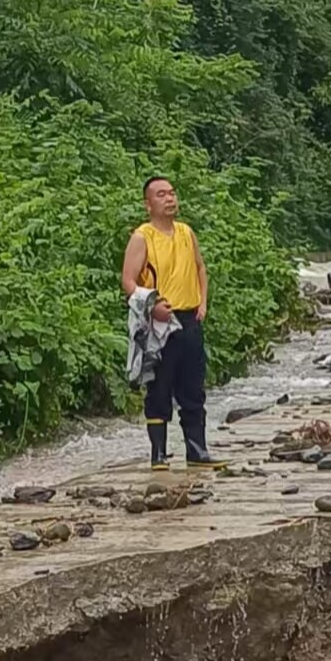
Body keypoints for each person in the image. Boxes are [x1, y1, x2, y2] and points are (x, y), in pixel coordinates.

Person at [121, 176, 226, 472]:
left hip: (190, 318)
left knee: (193, 387)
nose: (169, 199)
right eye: (161, 194)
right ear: (148, 203)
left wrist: (203, 301)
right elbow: (128, 281)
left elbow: (199, 267)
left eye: (172, 193)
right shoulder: (142, 237)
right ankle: (158, 454)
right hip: (160, 323)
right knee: (159, 387)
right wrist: (152, 306)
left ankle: (197, 449)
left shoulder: (186, 232)